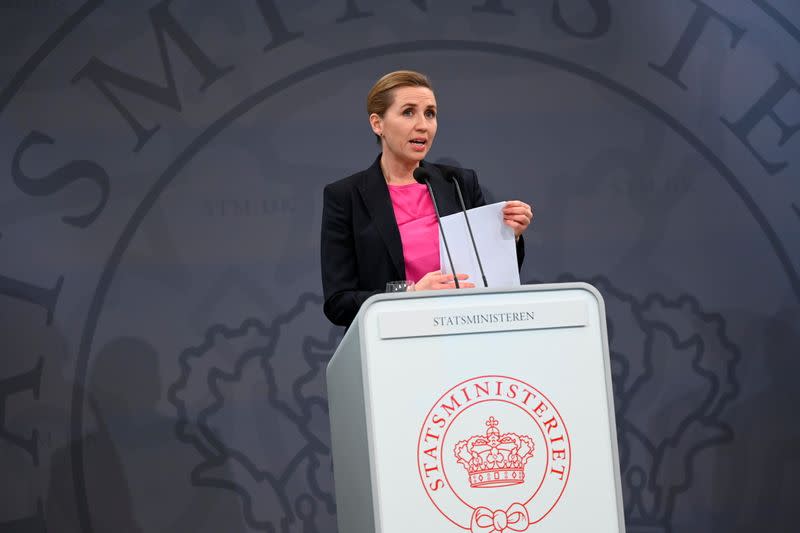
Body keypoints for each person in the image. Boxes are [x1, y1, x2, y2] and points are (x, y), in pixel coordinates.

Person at [320, 70, 533, 327]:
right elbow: (338, 304)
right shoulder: (346, 196)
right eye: (408, 112)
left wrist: (510, 235)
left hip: (465, 332)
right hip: (394, 342)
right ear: (378, 124)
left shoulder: (458, 183)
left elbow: (490, 276)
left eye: (430, 113)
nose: (422, 124)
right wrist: (410, 295)